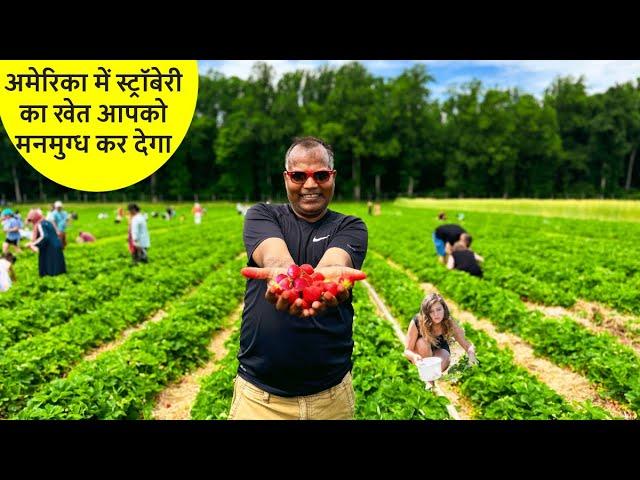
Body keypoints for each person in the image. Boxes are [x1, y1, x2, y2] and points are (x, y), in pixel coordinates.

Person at [229, 136, 368, 420]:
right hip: (260, 400)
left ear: (332, 176)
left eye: (320, 175)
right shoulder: (262, 215)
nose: (310, 185)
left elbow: (335, 261)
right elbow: (275, 257)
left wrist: (322, 280)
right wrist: (285, 275)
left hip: (331, 399)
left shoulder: (350, 226)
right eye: (298, 176)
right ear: (286, 178)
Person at [404, 293, 477, 372]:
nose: (436, 314)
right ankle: (429, 381)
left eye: (438, 309)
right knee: (422, 343)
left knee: (438, 368)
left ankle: (431, 374)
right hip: (420, 349)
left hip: (439, 347)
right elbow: (407, 351)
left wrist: (471, 355)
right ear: (427, 313)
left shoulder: (449, 321)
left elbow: (466, 344)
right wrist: (414, 356)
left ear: (444, 309)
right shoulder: (418, 321)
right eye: (431, 311)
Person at [25, 209, 66, 277]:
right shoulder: (47, 222)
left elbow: (44, 236)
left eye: (32, 220)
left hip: (50, 247)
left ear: (35, 218)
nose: (32, 222)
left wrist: (32, 244)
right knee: (57, 267)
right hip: (56, 245)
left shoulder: (40, 224)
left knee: (50, 267)